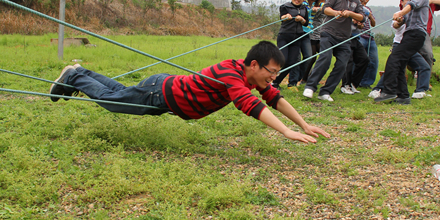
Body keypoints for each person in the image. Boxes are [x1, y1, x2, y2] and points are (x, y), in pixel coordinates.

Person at [49, 41, 330, 143]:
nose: (273, 78)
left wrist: (303, 125)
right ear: (254, 65)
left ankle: (79, 73)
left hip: (163, 93)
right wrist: (286, 131)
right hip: (160, 93)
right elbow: (250, 105)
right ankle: (74, 76)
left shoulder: (251, 78)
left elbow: (275, 99)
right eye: (271, 71)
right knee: (114, 101)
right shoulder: (231, 73)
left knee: (119, 92)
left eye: (276, 73)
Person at [303, 0, 364, 102]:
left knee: (342, 64)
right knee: (325, 58)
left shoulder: (356, 2)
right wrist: (336, 12)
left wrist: (350, 14)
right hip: (328, 33)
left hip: (344, 39)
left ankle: (325, 92)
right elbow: (325, 8)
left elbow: (362, 17)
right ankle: (310, 86)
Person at [375, 0, 429, 104]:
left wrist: (400, 12)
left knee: (394, 59)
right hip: (408, 35)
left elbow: (411, 5)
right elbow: (399, 23)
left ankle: (389, 91)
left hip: (416, 34)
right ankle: (403, 96)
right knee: (399, 64)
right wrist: (399, 20)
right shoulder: (409, 6)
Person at [272, 0, 309, 89]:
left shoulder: (304, 9)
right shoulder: (285, 6)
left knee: (291, 63)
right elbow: (281, 18)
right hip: (284, 36)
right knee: (283, 59)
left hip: (297, 38)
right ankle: (269, 77)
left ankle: (275, 82)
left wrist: (301, 20)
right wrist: (286, 17)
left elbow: (306, 23)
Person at [287, 0, 322, 88]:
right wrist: (312, 10)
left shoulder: (317, 4)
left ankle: (298, 77)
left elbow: (325, 7)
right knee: (296, 58)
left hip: (307, 33)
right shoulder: (303, 2)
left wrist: (318, 9)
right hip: (297, 32)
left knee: (309, 57)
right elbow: (300, 9)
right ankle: (292, 83)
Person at [340, 0, 373, 94]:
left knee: (364, 59)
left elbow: (362, 24)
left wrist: (359, 24)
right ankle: (345, 85)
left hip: (355, 37)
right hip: (345, 36)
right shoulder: (348, 4)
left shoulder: (363, 9)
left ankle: (353, 84)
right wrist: (351, 19)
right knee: (348, 61)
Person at [301, 0, 332, 84]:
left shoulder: (324, 4)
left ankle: (312, 77)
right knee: (312, 57)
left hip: (320, 33)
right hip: (311, 32)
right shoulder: (314, 3)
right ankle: (304, 78)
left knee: (324, 56)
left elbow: (327, 9)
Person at [356, 0, 378, 88]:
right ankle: (353, 81)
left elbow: (373, 23)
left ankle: (366, 83)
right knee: (358, 59)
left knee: (373, 61)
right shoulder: (354, 6)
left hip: (369, 37)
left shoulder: (368, 9)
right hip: (359, 35)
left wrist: (370, 16)